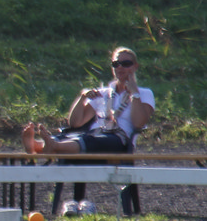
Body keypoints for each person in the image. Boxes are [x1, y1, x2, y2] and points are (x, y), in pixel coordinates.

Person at [23, 46, 154, 156]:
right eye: (116, 64)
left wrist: (134, 94)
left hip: (119, 139)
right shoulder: (104, 93)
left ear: (135, 66)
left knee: (91, 140)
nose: (120, 67)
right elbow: (75, 123)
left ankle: (52, 146)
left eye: (126, 64)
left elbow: (138, 123)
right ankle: (37, 146)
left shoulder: (144, 93)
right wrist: (82, 97)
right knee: (74, 135)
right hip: (96, 133)